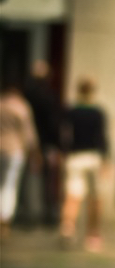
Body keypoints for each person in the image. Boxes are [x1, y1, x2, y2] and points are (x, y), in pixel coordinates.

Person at [62, 76, 110, 251]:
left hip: (75, 156)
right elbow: (102, 138)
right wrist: (105, 160)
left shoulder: (71, 111)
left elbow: (65, 136)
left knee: (73, 195)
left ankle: (68, 228)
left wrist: (65, 153)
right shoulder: (97, 113)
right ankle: (93, 234)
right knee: (95, 198)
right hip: (93, 157)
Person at [24, 60, 63, 228]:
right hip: (45, 144)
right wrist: (57, 145)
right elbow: (54, 123)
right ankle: (48, 215)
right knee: (47, 180)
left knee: (27, 179)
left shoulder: (26, 96)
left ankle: (28, 214)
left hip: (28, 144)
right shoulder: (49, 96)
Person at [0, 83, 40, 240]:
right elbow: (28, 133)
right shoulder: (21, 107)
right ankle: (4, 221)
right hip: (14, 151)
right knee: (9, 187)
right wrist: (34, 152)